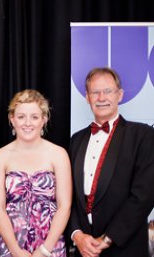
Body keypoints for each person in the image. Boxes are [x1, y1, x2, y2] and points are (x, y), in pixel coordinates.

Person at [68, 67, 154, 257]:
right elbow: (69, 194)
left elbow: (144, 196)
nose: (101, 97)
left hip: (125, 248)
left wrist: (107, 239)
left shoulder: (143, 135)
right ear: (87, 98)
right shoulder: (76, 140)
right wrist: (77, 235)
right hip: (83, 249)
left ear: (120, 95)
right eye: (95, 92)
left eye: (108, 91)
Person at [0, 89, 72, 257]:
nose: (28, 123)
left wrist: (45, 250)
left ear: (44, 119)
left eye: (34, 117)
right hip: (11, 246)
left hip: (50, 246)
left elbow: (64, 206)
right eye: (21, 117)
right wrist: (16, 251)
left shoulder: (58, 154)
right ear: (12, 119)